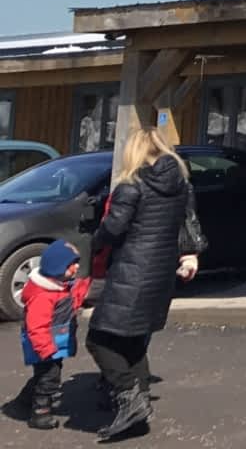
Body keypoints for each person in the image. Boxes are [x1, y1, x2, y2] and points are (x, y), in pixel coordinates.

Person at [87, 128, 205, 443]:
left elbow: (114, 228)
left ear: (134, 151)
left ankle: (129, 396)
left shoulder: (132, 185)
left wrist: (94, 239)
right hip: (161, 272)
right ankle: (135, 406)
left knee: (99, 338)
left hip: (132, 269)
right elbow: (189, 222)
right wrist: (190, 256)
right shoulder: (181, 184)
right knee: (133, 340)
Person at [5, 240, 92, 429]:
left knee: (43, 376)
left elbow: (73, 299)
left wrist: (86, 286)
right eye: (72, 264)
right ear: (57, 267)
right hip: (44, 346)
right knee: (49, 379)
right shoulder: (43, 295)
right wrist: (45, 349)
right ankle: (40, 413)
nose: (77, 267)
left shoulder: (60, 286)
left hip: (53, 344)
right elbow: (36, 326)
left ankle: (22, 403)